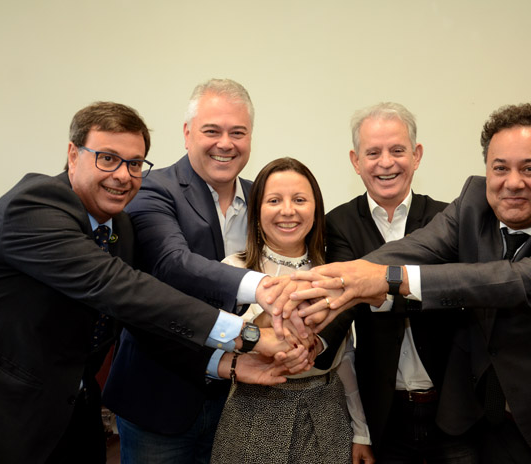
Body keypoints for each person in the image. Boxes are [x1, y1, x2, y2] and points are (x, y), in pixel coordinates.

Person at [292, 103, 531, 463]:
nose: (513, 182)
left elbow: (512, 281)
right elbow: (416, 248)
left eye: (529, 168)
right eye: (500, 168)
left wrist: (388, 278)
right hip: (496, 429)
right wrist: (322, 283)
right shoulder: (474, 206)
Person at [0, 102, 303, 464]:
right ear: (73, 154)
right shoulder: (34, 205)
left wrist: (225, 363)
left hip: (74, 414)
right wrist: (247, 335)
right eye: (107, 158)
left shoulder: (119, 226)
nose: (123, 175)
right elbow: (121, 287)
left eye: (135, 163)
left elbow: (142, 320)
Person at [102, 79, 314, 464]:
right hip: (160, 400)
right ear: (187, 133)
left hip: (240, 401)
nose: (225, 143)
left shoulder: (262, 198)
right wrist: (262, 286)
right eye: (211, 130)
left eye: (238, 132)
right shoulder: (152, 189)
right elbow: (172, 263)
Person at [316, 102, 476, 463]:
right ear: (356, 161)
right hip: (385, 417)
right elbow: (345, 301)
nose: (385, 162)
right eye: (373, 153)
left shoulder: (447, 219)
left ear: (416, 156)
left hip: (453, 412)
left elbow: (457, 294)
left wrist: (373, 290)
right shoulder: (338, 223)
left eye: (397, 150)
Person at [210, 157, 370, 463]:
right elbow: (219, 345)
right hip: (252, 414)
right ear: (257, 211)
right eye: (274, 200)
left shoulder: (334, 273)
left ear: (315, 210)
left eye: (299, 200)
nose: (287, 210)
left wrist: (362, 430)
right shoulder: (231, 270)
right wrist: (271, 315)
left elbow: (346, 354)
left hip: (327, 414)